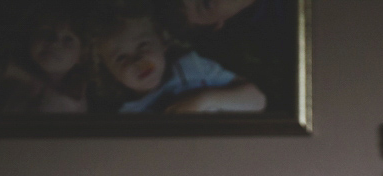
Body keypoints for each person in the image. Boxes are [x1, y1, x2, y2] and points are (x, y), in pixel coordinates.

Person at [89, 7, 266, 113]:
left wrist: (204, 100)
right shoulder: (129, 116)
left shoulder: (192, 66)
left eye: (143, 45)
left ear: (162, 42)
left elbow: (257, 100)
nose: (137, 60)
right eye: (121, 58)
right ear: (112, 75)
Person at [0, 7, 89, 114]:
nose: (54, 42)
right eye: (45, 32)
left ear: (82, 56)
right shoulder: (10, 70)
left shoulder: (72, 98)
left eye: (68, 39)